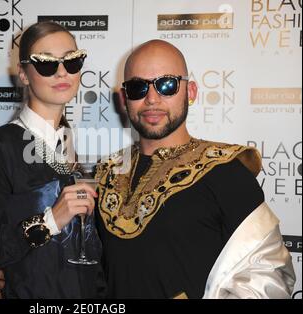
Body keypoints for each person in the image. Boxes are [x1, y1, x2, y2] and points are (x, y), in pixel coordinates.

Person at [95, 39, 296, 299]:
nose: (152, 99)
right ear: (124, 98)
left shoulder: (226, 171)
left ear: (190, 91)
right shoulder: (106, 174)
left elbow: (271, 273)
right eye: (138, 87)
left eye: (167, 85)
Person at [0, 21, 105, 299]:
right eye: (46, 63)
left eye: (72, 61)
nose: (61, 72)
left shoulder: (74, 155)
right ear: (23, 73)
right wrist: (48, 222)